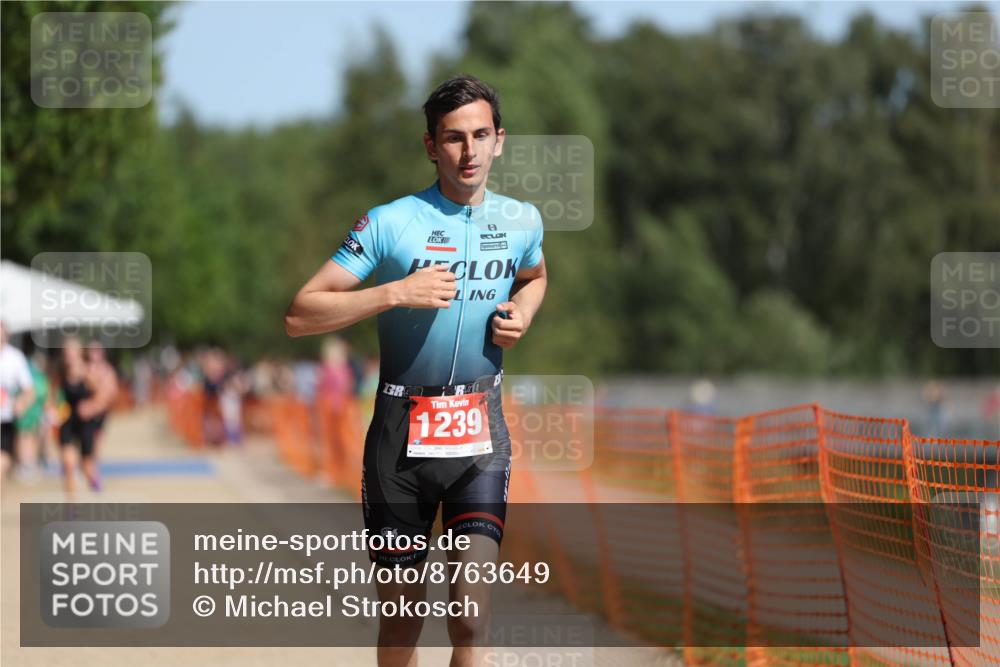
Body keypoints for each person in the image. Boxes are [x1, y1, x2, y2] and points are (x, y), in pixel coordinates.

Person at [285, 75, 547, 667]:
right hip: (399, 441)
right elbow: (301, 313)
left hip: (480, 436)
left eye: (481, 135)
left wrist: (522, 313)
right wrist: (393, 292)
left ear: (500, 140)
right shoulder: (389, 222)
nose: (469, 151)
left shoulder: (522, 220)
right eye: (454, 138)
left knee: (471, 620)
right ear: (431, 146)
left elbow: (535, 276)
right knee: (403, 621)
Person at [57, 337, 117, 496]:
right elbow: (54, 393)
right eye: (66, 351)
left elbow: (103, 394)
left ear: (79, 352)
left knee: (87, 465)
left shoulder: (88, 372)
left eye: (71, 351)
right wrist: (53, 408)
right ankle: (71, 510)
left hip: (86, 423)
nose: (68, 354)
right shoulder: (61, 370)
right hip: (68, 422)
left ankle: (95, 483)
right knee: (69, 465)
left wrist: (91, 407)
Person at [0, 322, 36, 483]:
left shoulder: (15, 358)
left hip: (6, 420)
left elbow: (29, 391)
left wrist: (21, 403)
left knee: (1, 464)